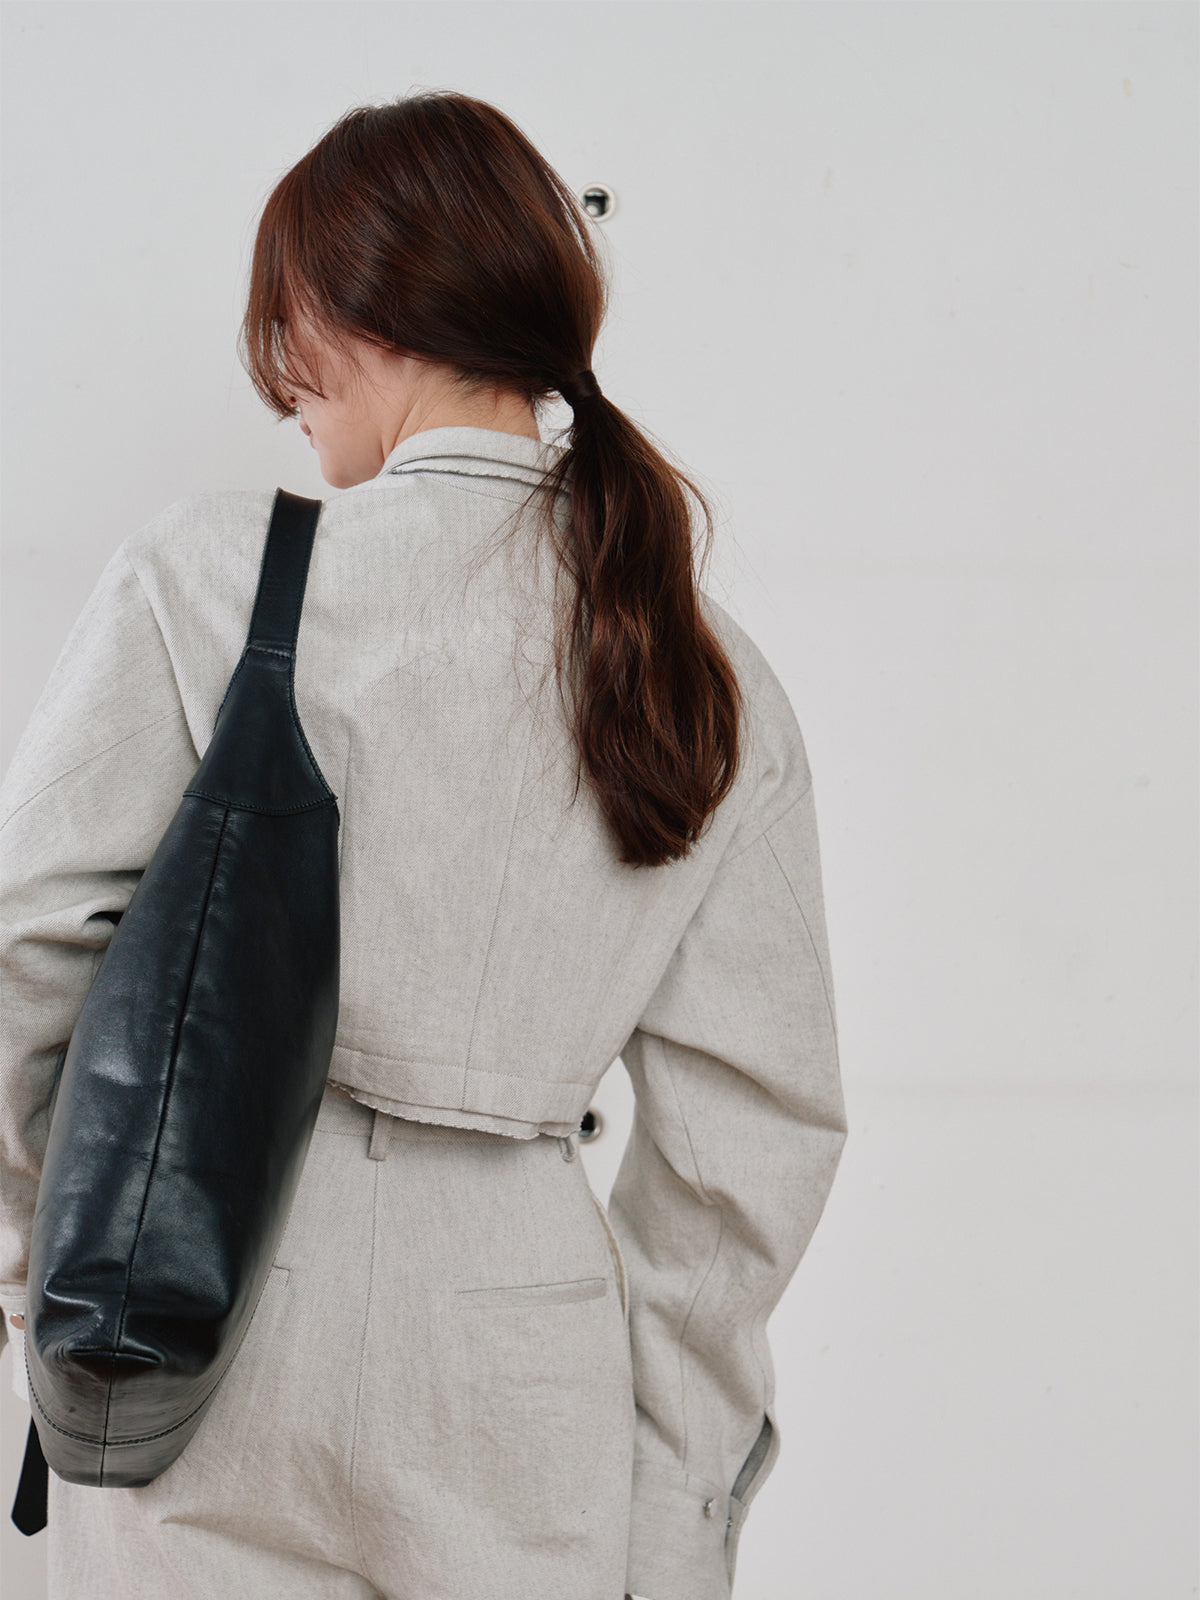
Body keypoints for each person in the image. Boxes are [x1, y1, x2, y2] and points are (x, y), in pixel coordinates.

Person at [0, 90, 847, 1600]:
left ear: (350, 309)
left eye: (285, 329)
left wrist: (37, 1288)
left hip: (206, 1305)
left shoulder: (204, 579)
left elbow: (21, 958)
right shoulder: (699, 667)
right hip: (524, 1358)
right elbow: (751, 1143)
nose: (283, 384)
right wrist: (673, 1504)